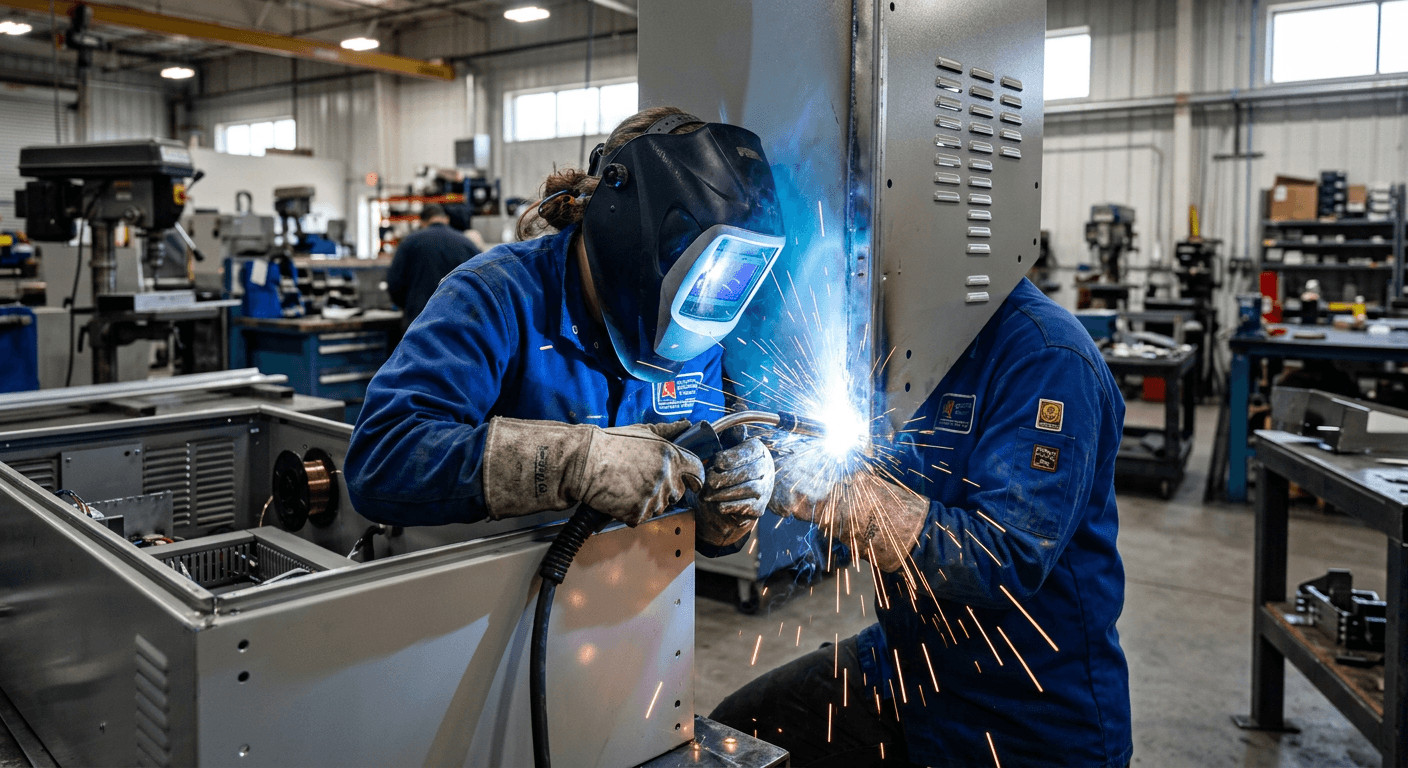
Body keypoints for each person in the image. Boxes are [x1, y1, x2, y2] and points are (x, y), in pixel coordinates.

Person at [710, 277, 1133, 768]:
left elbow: (1003, 557)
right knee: (736, 738)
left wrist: (836, 495)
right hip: (909, 666)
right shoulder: (927, 340)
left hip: (1025, 716)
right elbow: (893, 475)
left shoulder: (1047, 356)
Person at [346, 107, 786, 552]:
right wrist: (572, 463)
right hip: (490, 602)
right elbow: (382, 459)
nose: (701, 298)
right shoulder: (495, 296)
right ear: (624, 224)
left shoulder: (700, 333)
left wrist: (722, 513)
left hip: (642, 606)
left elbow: (689, 497)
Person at [385, 203, 480, 328]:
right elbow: (481, 283)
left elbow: (394, 283)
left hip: (419, 322)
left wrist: (410, 305)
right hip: (460, 323)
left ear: (422, 222)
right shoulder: (467, 244)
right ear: (446, 219)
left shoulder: (409, 243)